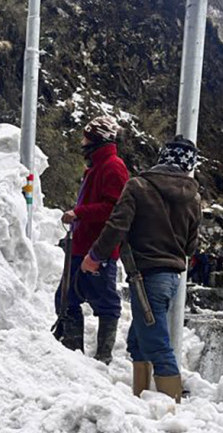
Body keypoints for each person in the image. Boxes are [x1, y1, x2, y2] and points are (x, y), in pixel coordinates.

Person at [82, 135, 201, 403]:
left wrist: (94, 256)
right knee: (138, 341)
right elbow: (191, 247)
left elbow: (116, 226)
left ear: (162, 158)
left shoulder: (138, 186)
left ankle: (172, 409)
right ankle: (142, 399)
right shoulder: (193, 198)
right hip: (171, 279)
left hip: (145, 275)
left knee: (157, 345)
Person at [54, 115, 129, 365]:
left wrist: (79, 213)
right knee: (66, 298)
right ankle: (73, 352)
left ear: (97, 140)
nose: (82, 142)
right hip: (82, 246)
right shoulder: (97, 167)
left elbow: (115, 209)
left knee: (105, 303)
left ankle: (103, 358)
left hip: (99, 250)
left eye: (86, 137)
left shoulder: (113, 167)